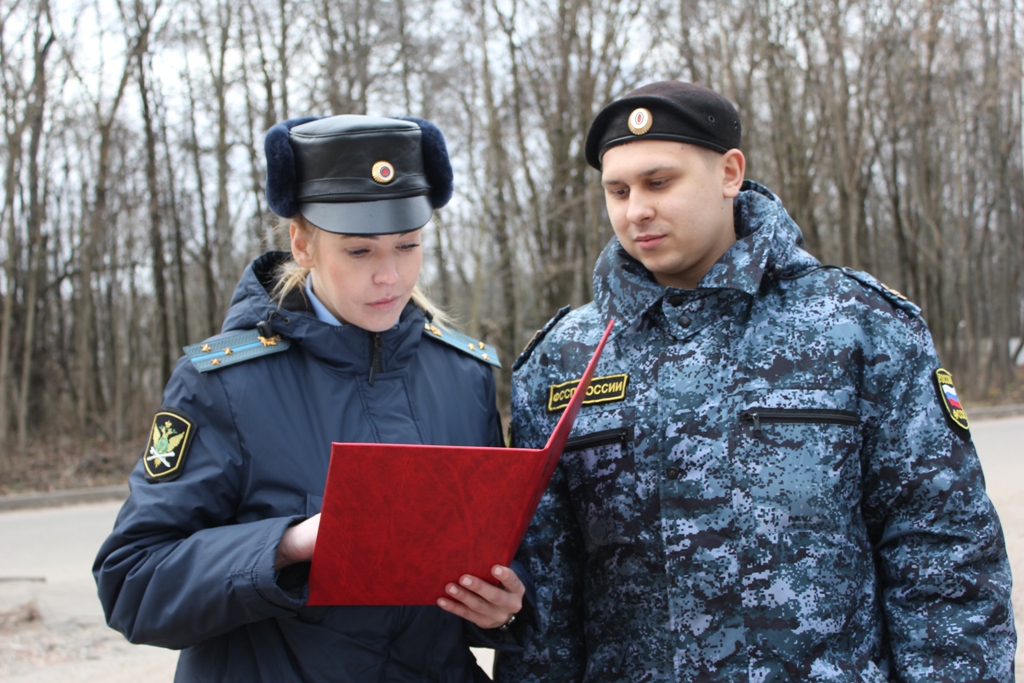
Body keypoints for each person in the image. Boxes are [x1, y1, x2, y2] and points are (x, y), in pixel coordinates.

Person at [493, 81, 1015, 682]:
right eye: (618, 190)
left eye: (659, 183)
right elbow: (546, 606)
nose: (636, 210)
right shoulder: (563, 361)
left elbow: (944, 553)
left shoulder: (856, 328)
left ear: (729, 173)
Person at [94, 114, 528, 682]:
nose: (390, 276)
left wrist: (498, 611)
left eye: (408, 245)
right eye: (359, 252)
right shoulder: (224, 383)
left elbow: (485, 562)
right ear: (302, 244)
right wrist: (289, 545)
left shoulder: (463, 374)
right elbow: (133, 584)